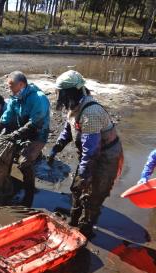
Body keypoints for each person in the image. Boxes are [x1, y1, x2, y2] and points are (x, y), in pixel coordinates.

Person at [48, 70, 124, 238]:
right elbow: (69, 129)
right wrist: (57, 146)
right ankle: (73, 221)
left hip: (106, 156)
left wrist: (82, 177)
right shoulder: (74, 107)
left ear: (70, 92)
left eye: (60, 93)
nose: (58, 96)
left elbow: (91, 153)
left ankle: (85, 229)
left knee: (93, 195)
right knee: (76, 190)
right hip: (91, 152)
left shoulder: (91, 113)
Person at [0, 71, 50, 206]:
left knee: (24, 162)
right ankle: (4, 182)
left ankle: (30, 191)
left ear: (21, 84)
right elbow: (6, 118)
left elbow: (34, 123)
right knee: (6, 153)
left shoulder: (38, 98)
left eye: (11, 86)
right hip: (23, 132)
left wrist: (15, 135)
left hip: (38, 134)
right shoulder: (15, 99)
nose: (9, 89)